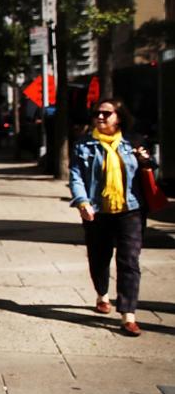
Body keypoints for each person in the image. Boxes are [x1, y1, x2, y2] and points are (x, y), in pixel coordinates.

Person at [69, 98, 154, 336]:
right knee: (99, 257)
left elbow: (148, 168)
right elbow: (76, 176)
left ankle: (128, 315)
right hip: (97, 210)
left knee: (129, 261)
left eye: (107, 113)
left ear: (119, 116)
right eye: (97, 113)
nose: (101, 117)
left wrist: (146, 161)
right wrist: (82, 202)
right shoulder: (84, 144)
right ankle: (102, 294)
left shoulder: (133, 142)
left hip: (131, 209)